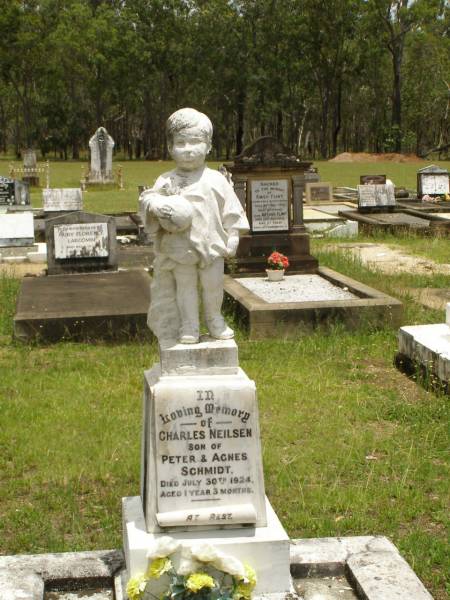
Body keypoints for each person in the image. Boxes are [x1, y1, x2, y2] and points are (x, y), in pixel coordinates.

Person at [140, 108, 249, 345]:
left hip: (211, 243)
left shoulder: (216, 179)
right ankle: (189, 324)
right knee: (185, 286)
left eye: (195, 142)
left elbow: (231, 209)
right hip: (180, 245)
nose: (188, 149)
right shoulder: (166, 180)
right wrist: (157, 205)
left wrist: (233, 234)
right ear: (170, 147)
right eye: (181, 143)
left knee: (213, 285)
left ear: (208, 146)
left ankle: (214, 319)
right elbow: (148, 200)